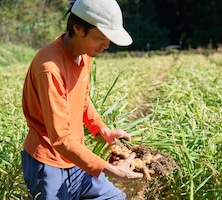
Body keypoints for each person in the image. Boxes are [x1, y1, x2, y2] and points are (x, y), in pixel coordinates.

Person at [21, 0, 143, 199]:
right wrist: (110, 169)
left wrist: (102, 129)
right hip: (48, 164)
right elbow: (60, 139)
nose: (106, 45)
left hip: (76, 158)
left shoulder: (84, 53)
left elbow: (82, 98)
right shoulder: (50, 69)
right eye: (100, 38)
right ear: (78, 28)